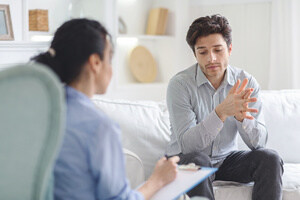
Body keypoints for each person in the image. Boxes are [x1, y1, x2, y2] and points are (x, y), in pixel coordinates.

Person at [32, 18, 179, 200]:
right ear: (95, 62)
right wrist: (157, 180)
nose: (111, 69)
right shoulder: (98, 126)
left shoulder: (35, 112)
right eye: (110, 59)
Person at [166, 14, 283, 200]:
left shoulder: (246, 81)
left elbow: (258, 144)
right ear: (195, 54)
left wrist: (242, 118)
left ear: (229, 49)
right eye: (202, 52)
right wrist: (220, 113)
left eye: (218, 50)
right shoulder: (179, 85)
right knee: (198, 160)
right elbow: (188, 147)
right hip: (186, 160)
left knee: (270, 158)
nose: (211, 58)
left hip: (225, 160)